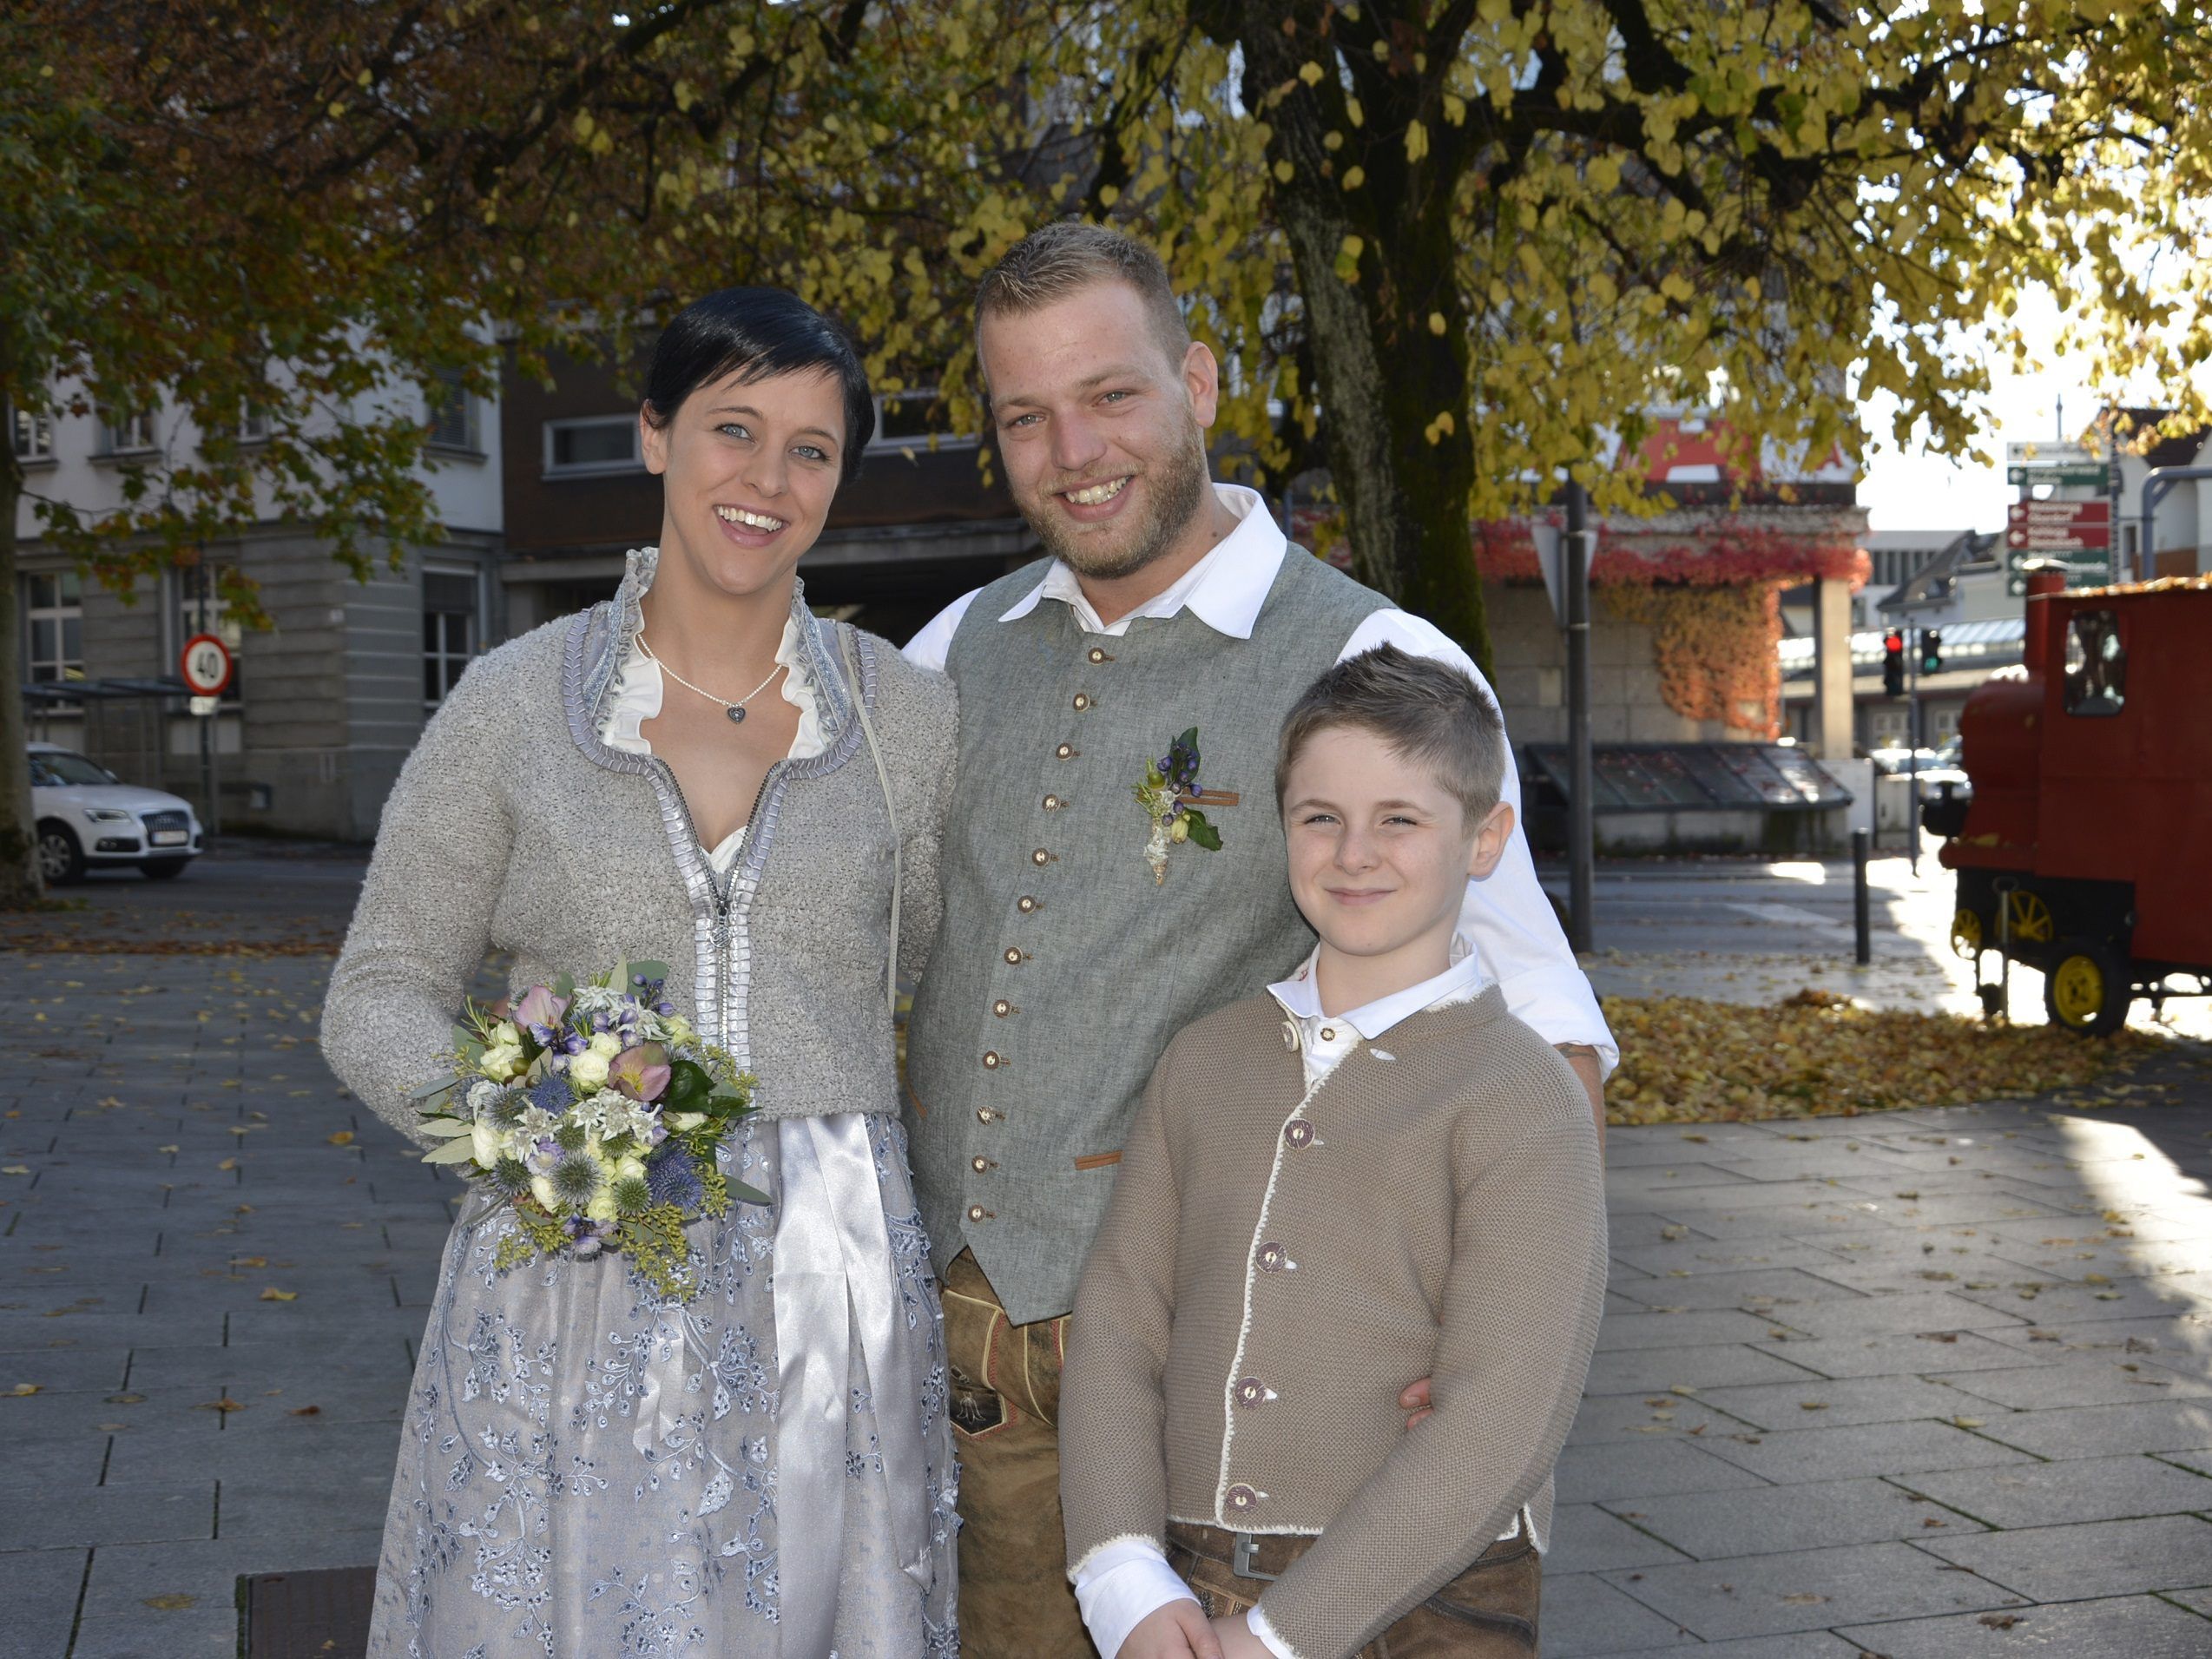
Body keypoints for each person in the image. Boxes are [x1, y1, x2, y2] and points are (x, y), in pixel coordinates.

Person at [900, 222, 1616, 1655]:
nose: (1072, 449)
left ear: (1200, 383)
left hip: (1229, 1372)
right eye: (1024, 416)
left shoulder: (1379, 663)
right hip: (979, 1370)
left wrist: (1479, 1334)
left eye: (1110, 395)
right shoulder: (945, 652)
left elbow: (1543, 1030)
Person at [324, 287, 961, 1656]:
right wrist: (523, 1134)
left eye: (811, 450)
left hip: (829, 1282)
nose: (768, 480)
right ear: (655, 435)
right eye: (734, 429)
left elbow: (915, 973)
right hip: (566, 1278)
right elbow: (376, 988)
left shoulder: (908, 716)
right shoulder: (509, 701)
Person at [1061, 646, 1608, 1659]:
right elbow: (1118, 1322)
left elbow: (1505, 1414)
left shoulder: (1523, 1098)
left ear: (1485, 839)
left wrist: (1278, 1637)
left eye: (1399, 819)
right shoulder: (1204, 1061)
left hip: (1434, 1595)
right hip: (1182, 1581)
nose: (1354, 852)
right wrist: (1120, 1573)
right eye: (1322, 818)